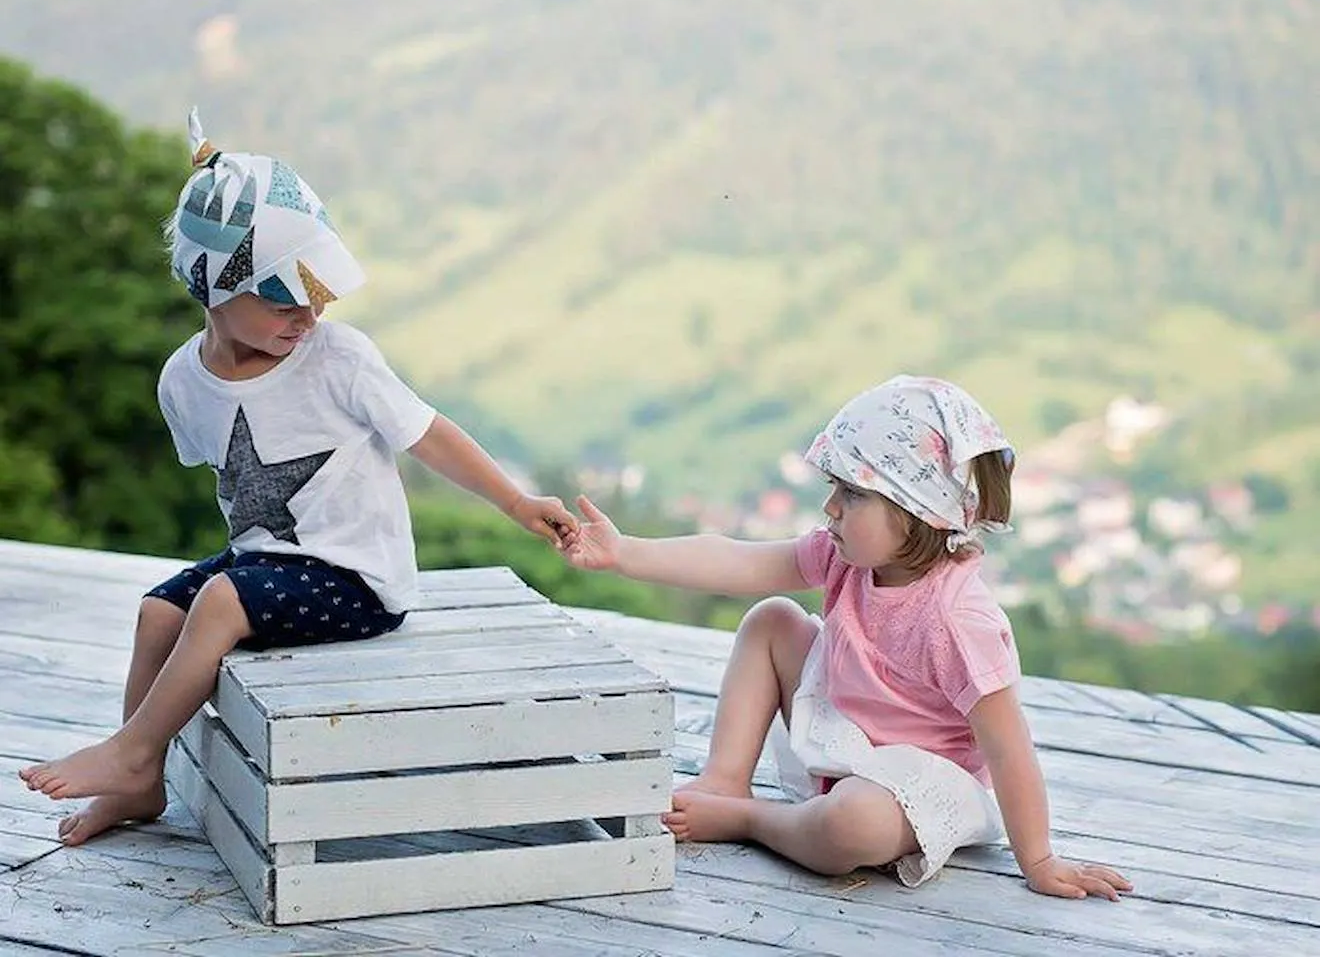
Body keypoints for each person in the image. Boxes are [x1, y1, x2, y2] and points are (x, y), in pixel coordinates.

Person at [20, 111, 577, 846]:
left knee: (218, 600)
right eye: (285, 301)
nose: (309, 315)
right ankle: (142, 785)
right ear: (215, 291)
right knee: (159, 612)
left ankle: (130, 752)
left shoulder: (340, 359)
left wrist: (516, 500)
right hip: (266, 565)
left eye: (319, 297)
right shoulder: (181, 383)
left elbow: (430, 435)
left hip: (358, 580)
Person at [561, 375, 1132, 900]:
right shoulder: (846, 558)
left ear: (919, 512)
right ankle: (727, 781)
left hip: (915, 783)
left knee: (852, 824)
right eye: (835, 487)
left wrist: (1039, 859)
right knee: (773, 618)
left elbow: (1009, 749)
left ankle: (749, 820)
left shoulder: (959, 619)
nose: (830, 507)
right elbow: (738, 562)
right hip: (845, 739)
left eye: (853, 494)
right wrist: (626, 553)